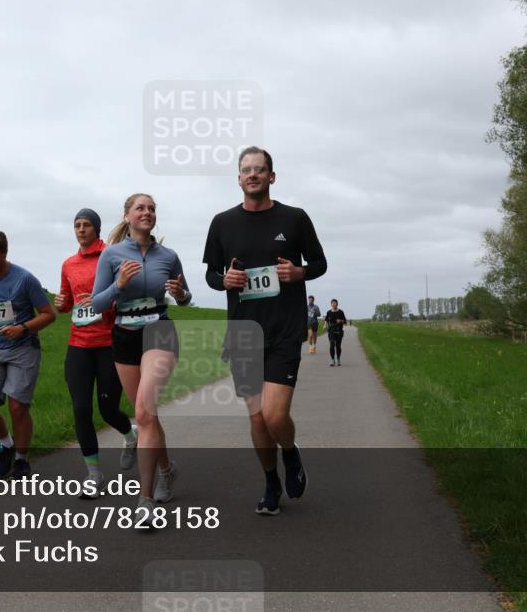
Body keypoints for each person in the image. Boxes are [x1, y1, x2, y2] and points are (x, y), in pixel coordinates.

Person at [203, 147, 326, 515]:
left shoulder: (295, 218)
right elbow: (211, 275)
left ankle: (289, 452)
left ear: (272, 176)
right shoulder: (222, 223)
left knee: (273, 415)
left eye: (259, 169)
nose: (252, 174)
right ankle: (271, 482)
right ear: (239, 178)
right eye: (246, 170)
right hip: (243, 333)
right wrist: (224, 280)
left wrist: (300, 272)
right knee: (256, 417)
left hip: (284, 329)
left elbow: (319, 263)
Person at [92, 193, 192, 527]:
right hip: (124, 336)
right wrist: (118, 285)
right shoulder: (111, 255)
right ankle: (166, 470)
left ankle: (145, 501)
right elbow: (96, 304)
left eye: (151, 208)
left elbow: (185, 297)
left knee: (144, 413)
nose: (147, 212)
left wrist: (181, 294)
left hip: (159, 331)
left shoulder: (169, 256)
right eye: (140, 208)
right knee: (147, 416)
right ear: (127, 216)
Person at [54, 208, 138, 499]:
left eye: (86, 225)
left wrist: (106, 302)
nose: (81, 229)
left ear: (96, 229)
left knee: (108, 409)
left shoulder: (111, 257)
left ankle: (130, 434)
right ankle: (94, 475)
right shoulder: (68, 264)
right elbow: (67, 303)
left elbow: (124, 295)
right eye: (77, 225)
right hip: (78, 345)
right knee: (80, 410)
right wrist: (62, 303)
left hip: (107, 343)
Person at [0, 226, 55, 479]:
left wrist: (22, 328)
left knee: (18, 407)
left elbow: (49, 314)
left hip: (23, 348)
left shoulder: (24, 279)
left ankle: (22, 460)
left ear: (4, 253)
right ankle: (6, 444)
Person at [324, 299, 347, 366]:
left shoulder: (341, 312)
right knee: (332, 345)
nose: (334, 304)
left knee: (338, 346)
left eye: (335, 303)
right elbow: (326, 320)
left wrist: (341, 321)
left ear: (337, 304)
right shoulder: (329, 312)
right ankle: (332, 360)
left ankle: (338, 359)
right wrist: (325, 325)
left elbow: (345, 321)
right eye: (332, 303)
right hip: (331, 330)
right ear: (331, 304)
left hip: (339, 330)